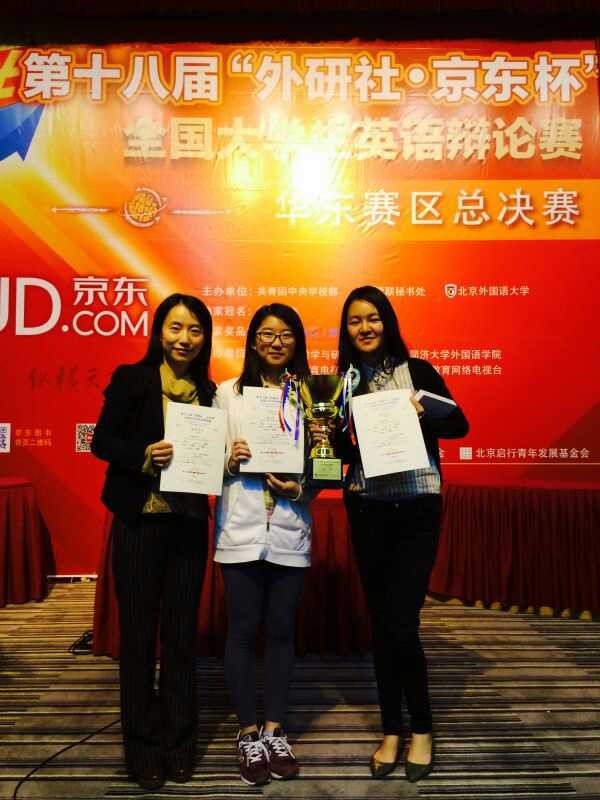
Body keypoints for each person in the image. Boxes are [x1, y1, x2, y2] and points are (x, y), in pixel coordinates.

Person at [337, 285, 468, 783]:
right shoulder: (343, 384)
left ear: (387, 322)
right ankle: (391, 729)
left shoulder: (419, 372)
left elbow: (460, 426)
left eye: (372, 318)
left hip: (416, 506)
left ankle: (423, 729)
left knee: (402, 624)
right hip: (367, 506)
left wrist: (425, 412)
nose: (365, 328)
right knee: (380, 624)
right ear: (346, 330)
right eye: (355, 321)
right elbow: (340, 451)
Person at [91, 293, 215, 791]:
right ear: (159, 331)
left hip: (188, 524)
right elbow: (101, 441)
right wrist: (142, 455)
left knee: (182, 637)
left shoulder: (209, 393)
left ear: (205, 338)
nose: (184, 339)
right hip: (140, 522)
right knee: (139, 639)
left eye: (195, 330)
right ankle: (142, 749)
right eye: (175, 327)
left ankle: (180, 744)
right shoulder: (133, 379)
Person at [214, 303, 312, 786]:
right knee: (241, 630)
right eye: (267, 334)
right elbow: (202, 459)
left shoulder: (312, 397)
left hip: (290, 526)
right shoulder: (227, 394)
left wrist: (301, 489)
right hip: (241, 526)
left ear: (297, 343)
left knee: (280, 631)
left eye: (286, 334)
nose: (276, 342)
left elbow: (325, 464)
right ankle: (248, 732)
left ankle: (275, 728)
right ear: (253, 340)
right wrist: (228, 460)